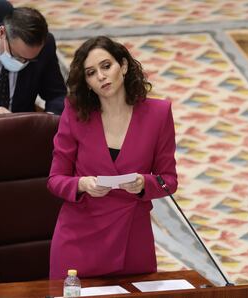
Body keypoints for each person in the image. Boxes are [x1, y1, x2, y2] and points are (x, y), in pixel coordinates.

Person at [47, 36, 178, 279]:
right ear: (87, 82)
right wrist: (81, 184)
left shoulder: (158, 114)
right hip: (79, 242)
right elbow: (55, 179)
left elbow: (167, 180)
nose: (101, 76)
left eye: (106, 66)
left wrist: (143, 184)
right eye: (91, 73)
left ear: (124, 66)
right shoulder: (75, 114)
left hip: (132, 243)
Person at [0, 1, 66, 114]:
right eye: (17, 56)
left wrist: (49, 119)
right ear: (1, 33)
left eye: (30, 60)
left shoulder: (45, 46)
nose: (22, 63)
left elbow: (57, 95)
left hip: (21, 126)